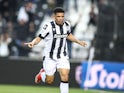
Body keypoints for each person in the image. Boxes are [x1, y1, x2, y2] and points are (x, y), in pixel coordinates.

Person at [24, 7, 87, 93]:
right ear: (54, 17)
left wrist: (79, 42)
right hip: (50, 57)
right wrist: (33, 42)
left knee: (65, 75)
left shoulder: (67, 25)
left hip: (62, 56)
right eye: (58, 16)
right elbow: (39, 37)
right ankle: (42, 74)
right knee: (49, 81)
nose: (61, 18)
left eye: (62, 16)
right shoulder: (48, 26)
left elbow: (68, 35)